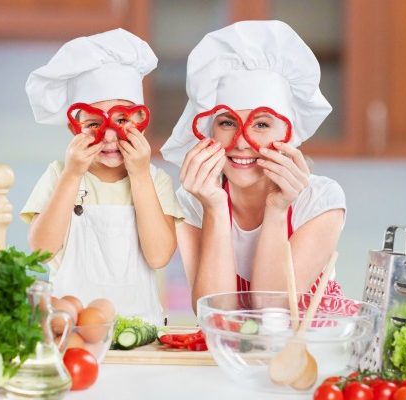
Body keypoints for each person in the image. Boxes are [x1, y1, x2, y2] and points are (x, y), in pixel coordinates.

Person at [161, 20, 346, 312]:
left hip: (311, 350)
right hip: (229, 349)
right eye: (226, 122)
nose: (242, 141)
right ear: (209, 131)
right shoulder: (193, 201)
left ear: (289, 134)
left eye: (261, 124)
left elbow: (272, 308)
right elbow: (214, 313)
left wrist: (277, 208)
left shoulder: (321, 200)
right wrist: (215, 208)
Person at [20, 29, 183, 324]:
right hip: (72, 332)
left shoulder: (155, 180)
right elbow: (41, 252)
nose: (109, 136)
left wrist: (140, 174)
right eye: (94, 124)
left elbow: (159, 256)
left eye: (121, 120)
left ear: (141, 122)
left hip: (142, 332)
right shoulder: (59, 175)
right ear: (75, 129)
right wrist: (72, 174)